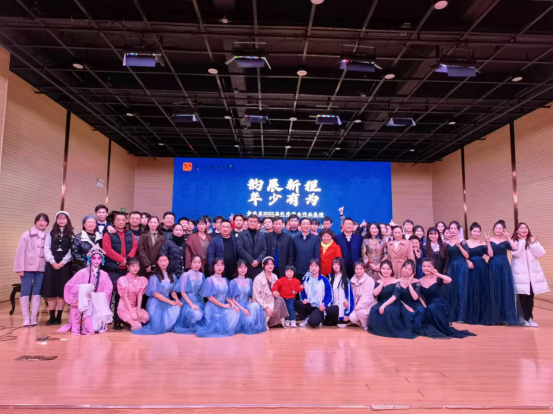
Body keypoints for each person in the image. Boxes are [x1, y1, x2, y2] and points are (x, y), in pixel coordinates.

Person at [58, 245, 114, 335]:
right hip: (84, 303)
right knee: (86, 326)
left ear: (102, 260)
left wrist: (95, 296)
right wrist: (83, 289)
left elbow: (109, 289)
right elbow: (69, 286)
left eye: (99, 258)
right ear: (89, 259)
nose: (96, 261)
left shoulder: (104, 274)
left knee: (96, 328)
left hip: (97, 304)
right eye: (94, 258)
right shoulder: (82, 272)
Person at [419, 258, 476, 339]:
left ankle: (442, 327)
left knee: (433, 307)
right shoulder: (420, 281)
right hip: (428, 305)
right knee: (430, 308)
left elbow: (449, 280)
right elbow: (419, 296)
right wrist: (424, 304)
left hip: (439, 304)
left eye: (429, 266)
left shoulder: (437, 278)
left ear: (433, 267)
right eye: (424, 266)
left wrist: (437, 274)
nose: (426, 268)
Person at [102, 212, 138, 331]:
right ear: (114, 222)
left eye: (123, 220)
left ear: (126, 221)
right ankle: (106, 319)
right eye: (118, 220)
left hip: (125, 270)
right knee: (110, 294)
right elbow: (107, 249)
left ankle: (119, 319)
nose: (121, 222)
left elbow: (134, 247)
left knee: (122, 295)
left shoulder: (130, 233)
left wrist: (128, 259)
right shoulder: (108, 233)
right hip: (113, 268)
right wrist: (122, 260)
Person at [14, 213, 49, 327]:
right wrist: (19, 268)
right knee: (25, 291)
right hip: (27, 267)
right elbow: (20, 252)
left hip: (42, 268)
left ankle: (34, 317)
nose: (41, 223)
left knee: (37, 292)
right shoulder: (26, 235)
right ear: (35, 222)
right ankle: (26, 318)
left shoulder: (49, 235)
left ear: (47, 223)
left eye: (44, 221)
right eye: (39, 220)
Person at [133, 254, 181, 335]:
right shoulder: (154, 277)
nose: (163, 263)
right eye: (161, 261)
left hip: (167, 302)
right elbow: (156, 294)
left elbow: (173, 292)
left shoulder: (172, 276)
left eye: (165, 261)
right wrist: (170, 302)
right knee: (158, 326)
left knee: (178, 307)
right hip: (155, 303)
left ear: (168, 261)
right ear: (157, 262)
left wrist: (177, 299)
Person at [512, 222, 549, 328]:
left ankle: (529, 318)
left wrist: (532, 244)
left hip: (532, 275)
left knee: (530, 298)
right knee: (521, 298)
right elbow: (517, 253)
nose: (524, 230)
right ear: (517, 231)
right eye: (521, 228)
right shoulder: (514, 241)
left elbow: (540, 253)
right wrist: (523, 242)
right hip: (520, 274)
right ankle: (521, 318)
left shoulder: (532, 240)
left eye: (526, 228)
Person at [368, 260, 416, 339]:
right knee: (374, 309)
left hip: (394, 303)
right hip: (381, 302)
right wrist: (382, 282)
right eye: (383, 269)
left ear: (391, 270)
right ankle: (380, 329)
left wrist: (384, 305)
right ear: (380, 269)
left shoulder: (396, 281)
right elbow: (375, 294)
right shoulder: (378, 281)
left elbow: (395, 296)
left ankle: (388, 331)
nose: (386, 271)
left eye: (388, 269)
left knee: (387, 310)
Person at [43, 211, 75, 326]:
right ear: (56, 220)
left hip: (65, 265)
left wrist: (63, 262)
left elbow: (72, 249)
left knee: (61, 291)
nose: (61, 220)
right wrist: (52, 261)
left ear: (68, 220)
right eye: (59, 218)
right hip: (51, 264)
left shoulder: (72, 232)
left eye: (64, 218)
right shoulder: (51, 232)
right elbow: (46, 248)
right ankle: (51, 316)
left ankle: (59, 316)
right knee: (51, 291)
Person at [195, 258, 241, 338]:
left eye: (222, 265)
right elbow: (210, 297)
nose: (220, 267)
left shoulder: (225, 280)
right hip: (213, 307)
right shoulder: (210, 280)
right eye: (217, 265)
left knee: (236, 312)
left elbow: (226, 296)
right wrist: (223, 306)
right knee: (218, 327)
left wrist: (232, 304)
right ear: (213, 266)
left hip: (224, 305)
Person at [489, 221, 520, 326]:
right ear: (493, 229)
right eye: (496, 228)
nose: (498, 230)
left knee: (505, 288)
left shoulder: (506, 241)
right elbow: (488, 254)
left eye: (500, 228)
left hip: (504, 265)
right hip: (493, 264)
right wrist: (487, 243)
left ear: (503, 230)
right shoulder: (489, 240)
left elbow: (515, 248)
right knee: (494, 289)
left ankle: (506, 317)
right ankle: (495, 317)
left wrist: (508, 238)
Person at [464, 223, 495, 326]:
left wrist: (488, 244)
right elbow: (462, 255)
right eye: (474, 231)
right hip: (470, 267)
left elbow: (490, 255)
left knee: (482, 290)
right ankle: (472, 315)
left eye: (478, 231)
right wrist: (467, 261)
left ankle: (483, 316)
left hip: (482, 268)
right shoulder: (465, 242)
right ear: (470, 231)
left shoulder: (483, 243)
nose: (476, 233)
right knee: (472, 290)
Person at [228, 260, 267, 335]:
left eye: (245, 267)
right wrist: (243, 309)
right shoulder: (233, 282)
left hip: (247, 303)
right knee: (247, 321)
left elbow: (249, 295)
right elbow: (233, 300)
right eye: (240, 267)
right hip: (238, 305)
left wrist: (250, 300)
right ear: (237, 269)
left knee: (256, 305)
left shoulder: (249, 280)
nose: (243, 269)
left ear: (247, 268)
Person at [173, 255, 206, 335]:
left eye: (199, 262)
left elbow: (202, 292)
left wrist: (203, 304)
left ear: (201, 264)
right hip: (187, 301)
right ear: (190, 263)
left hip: (199, 300)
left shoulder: (202, 275)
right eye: (194, 262)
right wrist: (192, 305)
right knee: (196, 314)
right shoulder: (185, 275)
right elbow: (183, 292)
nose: (197, 264)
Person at [445, 221, 470, 324]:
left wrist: (459, 246)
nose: (453, 230)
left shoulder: (462, 241)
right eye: (451, 228)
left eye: (455, 229)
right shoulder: (446, 242)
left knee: (461, 289)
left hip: (461, 265)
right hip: (451, 266)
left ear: (458, 230)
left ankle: (461, 316)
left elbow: (467, 255)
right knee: (451, 289)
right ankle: (452, 315)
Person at [253, 257, 289, 329]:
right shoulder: (258, 278)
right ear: (263, 265)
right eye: (268, 264)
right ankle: (267, 322)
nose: (270, 266)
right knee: (267, 310)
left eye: (272, 264)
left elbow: (279, 290)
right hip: (263, 303)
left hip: (272, 301)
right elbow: (256, 296)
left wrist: (277, 293)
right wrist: (265, 307)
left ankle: (276, 321)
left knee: (280, 299)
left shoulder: (275, 276)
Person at [296, 259, 332, 328]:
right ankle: (305, 318)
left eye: (316, 266)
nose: (313, 268)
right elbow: (302, 292)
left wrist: (325, 305)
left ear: (319, 267)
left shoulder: (324, 279)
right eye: (311, 266)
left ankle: (317, 318)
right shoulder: (306, 279)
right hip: (309, 305)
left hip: (319, 307)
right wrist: (304, 299)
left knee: (313, 323)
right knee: (296, 303)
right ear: (309, 267)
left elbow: (329, 295)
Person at [117, 258, 149, 331]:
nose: (135, 268)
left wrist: (138, 310)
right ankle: (126, 322)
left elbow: (140, 295)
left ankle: (135, 320)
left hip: (134, 307)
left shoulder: (141, 280)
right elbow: (124, 297)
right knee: (138, 327)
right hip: (124, 307)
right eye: (133, 266)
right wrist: (131, 312)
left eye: (137, 266)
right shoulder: (123, 279)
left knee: (146, 317)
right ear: (128, 267)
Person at [323, 258, 353, 328]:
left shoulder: (345, 280)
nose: (335, 266)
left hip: (342, 306)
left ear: (342, 265)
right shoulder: (329, 277)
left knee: (339, 324)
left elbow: (349, 296)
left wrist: (347, 313)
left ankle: (342, 318)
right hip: (331, 306)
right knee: (326, 324)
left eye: (338, 264)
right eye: (334, 264)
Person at [348, 261, 376, 330]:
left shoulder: (370, 280)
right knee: (351, 317)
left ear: (364, 269)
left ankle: (367, 325)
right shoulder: (352, 281)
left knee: (360, 312)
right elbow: (350, 294)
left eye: (361, 269)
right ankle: (363, 324)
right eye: (357, 269)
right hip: (356, 305)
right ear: (354, 270)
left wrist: (360, 305)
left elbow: (368, 295)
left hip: (368, 304)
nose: (358, 271)